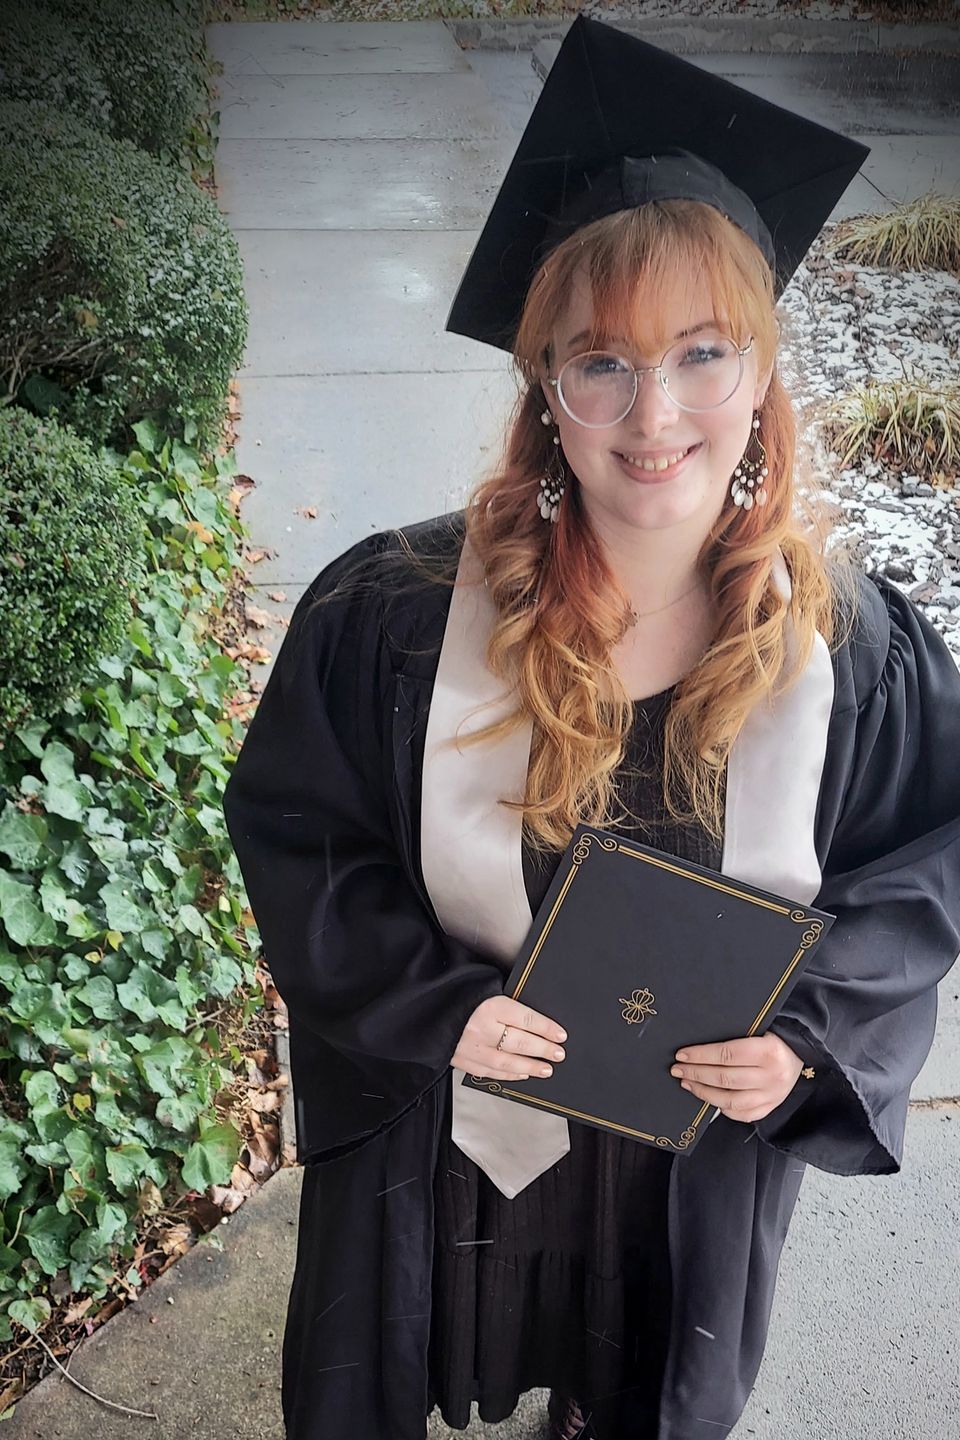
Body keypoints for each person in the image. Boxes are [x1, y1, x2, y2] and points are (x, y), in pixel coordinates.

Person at [221, 17, 960, 1440]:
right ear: (542, 386)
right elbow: (305, 840)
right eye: (601, 362)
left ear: (760, 376)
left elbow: (918, 868)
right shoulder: (393, 618)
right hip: (450, 1135)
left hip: (686, 1156)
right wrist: (438, 1012)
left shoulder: (852, 653)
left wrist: (805, 1045)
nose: (654, 414)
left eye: (700, 352)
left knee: (641, 1386)